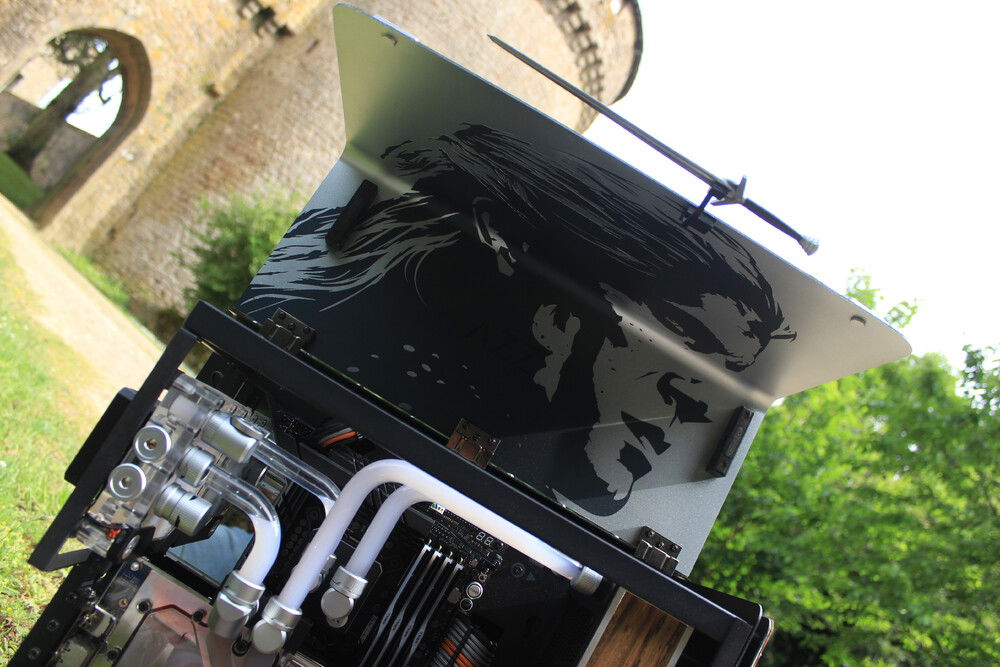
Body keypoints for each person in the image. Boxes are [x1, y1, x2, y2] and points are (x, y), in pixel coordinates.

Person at [242, 124, 794, 517]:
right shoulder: (331, 356)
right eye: (686, 339)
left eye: (717, 377)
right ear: (505, 243)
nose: (697, 406)